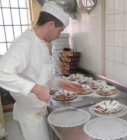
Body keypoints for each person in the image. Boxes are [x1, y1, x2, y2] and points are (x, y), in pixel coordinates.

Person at [0, 1, 84, 140]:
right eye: (60, 30)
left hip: (39, 110)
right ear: (50, 24)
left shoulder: (40, 44)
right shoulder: (24, 44)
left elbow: (40, 76)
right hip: (30, 116)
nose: (58, 36)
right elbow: (2, 73)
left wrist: (62, 83)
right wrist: (37, 89)